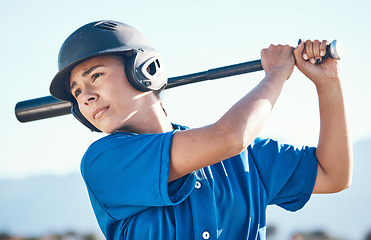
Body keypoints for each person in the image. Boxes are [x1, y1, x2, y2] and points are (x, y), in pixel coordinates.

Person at [49, 20, 352, 240]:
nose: (85, 97)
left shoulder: (248, 158)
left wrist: (328, 84)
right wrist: (276, 74)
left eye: (96, 76)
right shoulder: (104, 161)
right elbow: (230, 137)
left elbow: (333, 174)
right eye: (77, 92)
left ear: (145, 70)